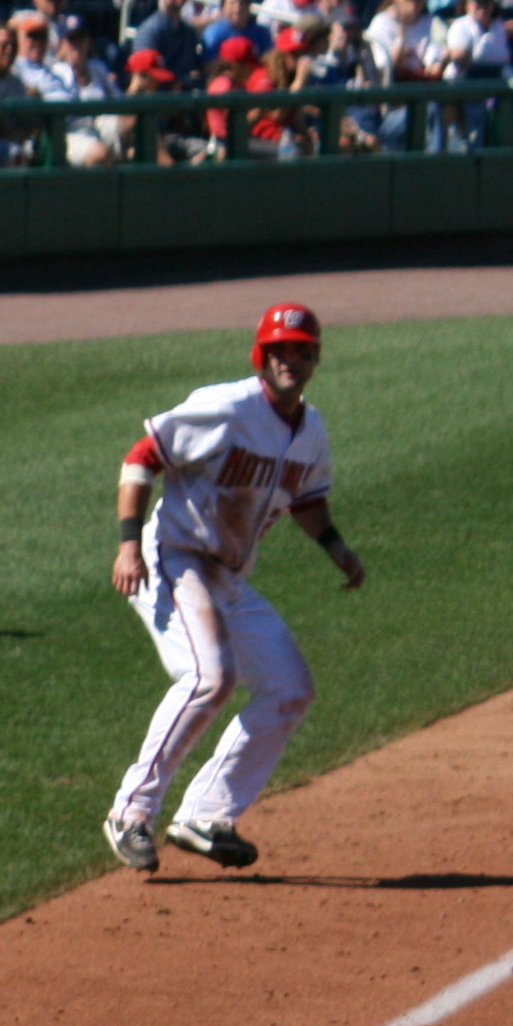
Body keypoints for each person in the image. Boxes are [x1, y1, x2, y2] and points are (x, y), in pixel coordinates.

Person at [102, 305, 364, 876]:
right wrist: (127, 547)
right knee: (210, 678)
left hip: (227, 577)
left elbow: (308, 500)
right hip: (173, 558)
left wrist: (338, 549)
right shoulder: (226, 407)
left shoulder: (310, 430)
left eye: (302, 351)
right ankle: (130, 813)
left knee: (289, 690)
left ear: (315, 358)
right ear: (261, 357)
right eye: (280, 351)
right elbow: (141, 458)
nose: (291, 360)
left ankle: (205, 816)